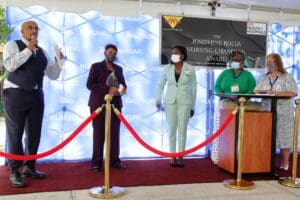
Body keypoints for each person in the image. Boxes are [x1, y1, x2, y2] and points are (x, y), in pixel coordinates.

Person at [2, 20, 65, 187]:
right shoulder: (12, 45)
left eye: (36, 28)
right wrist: (29, 49)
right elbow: (10, 65)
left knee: (34, 133)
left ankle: (30, 167)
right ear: (22, 31)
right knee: (15, 134)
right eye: (30, 27)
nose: (34, 30)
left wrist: (59, 62)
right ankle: (15, 171)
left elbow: (52, 75)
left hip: (36, 95)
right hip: (15, 94)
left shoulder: (42, 51)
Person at [87, 44, 127, 172]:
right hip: (99, 104)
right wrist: (108, 89)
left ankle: (114, 160)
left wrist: (120, 90)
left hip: (115, 105)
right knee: (98, 134)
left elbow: (123, 86)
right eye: (110, 52)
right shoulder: (96, 66)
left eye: (114, 53)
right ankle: (96, 162)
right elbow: (90, 84)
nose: (112, 54)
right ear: (104, 52)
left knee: (114, 134)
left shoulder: (119, 68)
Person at [211, 50, 256, 164]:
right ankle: (218, 158)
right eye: (234, 59)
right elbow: (216, 87)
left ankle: (238, 158)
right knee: (221, 131)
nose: (236, 61)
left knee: (238, 132)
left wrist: (243, 99)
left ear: (243, 61)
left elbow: (252, 90)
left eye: (239, 60)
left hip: (241, 105)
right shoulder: (225, 73)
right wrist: (224, 95)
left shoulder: (248, 75)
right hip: (224, 104)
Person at [254, 53, 297, 171]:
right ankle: (266, 162)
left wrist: (277, 93)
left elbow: (292, 92)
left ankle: (285, 162)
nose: (269, 64)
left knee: (284, 138)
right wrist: (266, 91)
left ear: (277, 63)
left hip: (284, 113)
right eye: (267, 62)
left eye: (271, 62)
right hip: (267, 111)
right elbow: (256, 91)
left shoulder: (286, 76)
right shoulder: (263, 77)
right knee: (267, 137)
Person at [156, 45, 197, 167]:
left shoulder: (190, 68)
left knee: (182, 130)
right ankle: (172, 157)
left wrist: (192, 106)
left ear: (182, 55)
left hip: (185, 102)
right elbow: (160, 85)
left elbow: (193, 88)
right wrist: (158, 99)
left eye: (176, 53)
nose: (173, 55)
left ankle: (180, 156)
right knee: (172, 129)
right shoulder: (168, 68)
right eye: (172, 53)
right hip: (170, 102)